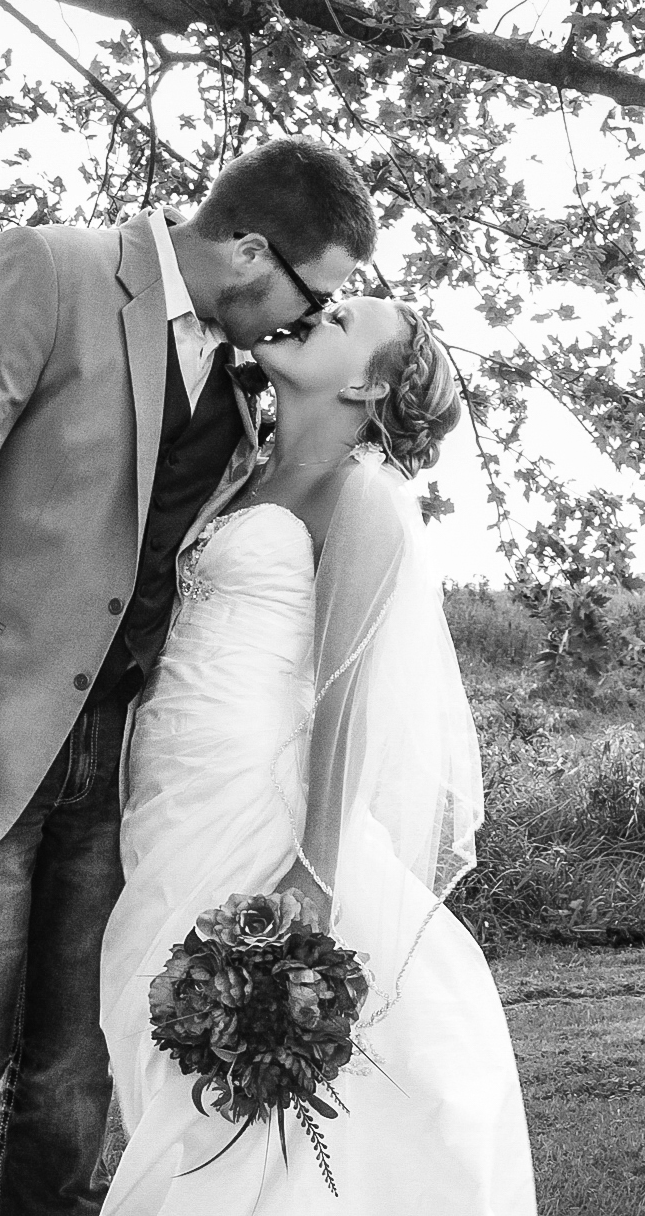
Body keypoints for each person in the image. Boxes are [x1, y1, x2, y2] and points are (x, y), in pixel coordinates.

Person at [0, 137, 378, 1216]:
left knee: (74, 1076)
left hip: (122, 770)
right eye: (309, 293)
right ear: (250, 249)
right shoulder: (44, 269)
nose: (304, 322)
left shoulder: (247, 381)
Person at [96, 296, 539, 1213]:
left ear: (366, 381)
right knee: (163, 1026)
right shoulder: (238, 471)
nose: (314, 315)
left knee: (239, 1069)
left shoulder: (362, 493)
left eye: (341, 322)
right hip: (175, 781)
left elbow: (344, 689)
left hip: (262, 796)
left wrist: (317, 861)